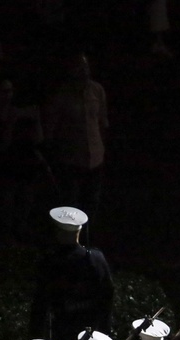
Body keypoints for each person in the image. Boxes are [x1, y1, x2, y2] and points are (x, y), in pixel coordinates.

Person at [28, 206, 114, 340]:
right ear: (78, 231)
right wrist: (105, 333)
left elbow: (40, 306)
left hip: (59, 338)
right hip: (92, 339)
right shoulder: (96, 258)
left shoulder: (49, 263)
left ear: (58, 232)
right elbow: (108, 297)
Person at [41, 50, 108, 228]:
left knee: (91, 203)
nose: (84, 71)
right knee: (71, 204)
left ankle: (86, 240)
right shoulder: (62, 95)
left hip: (95, 158)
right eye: (79, 67)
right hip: (71, 159)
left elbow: (102, 122)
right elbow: (51, 128)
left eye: (85, 66)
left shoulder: (97, 90)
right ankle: (69, 242)